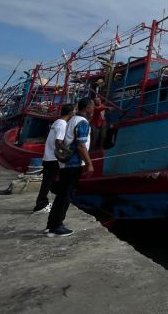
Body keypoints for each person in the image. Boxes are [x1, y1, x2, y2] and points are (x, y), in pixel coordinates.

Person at [46, 97, 94, 237]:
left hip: (65, 163)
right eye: (92, 107)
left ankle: (52, 225)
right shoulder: (83, 122)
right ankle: (56, 227)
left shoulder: (71, 120)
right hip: (73, 163)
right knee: (66, 196)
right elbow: (81, 145)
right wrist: (89, 164)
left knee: (61, 195)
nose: (93, 110)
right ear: (88, 108)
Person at [32, 104, 73, 214]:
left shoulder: (56, 122)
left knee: (48, 182)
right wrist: (67, 152)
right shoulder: (63, 124)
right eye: (73, 112)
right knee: (48, 183)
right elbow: (58, 142)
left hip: (48, 156)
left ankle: (43, 202)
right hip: (53, 158)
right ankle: (40, 205)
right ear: (70, 113)